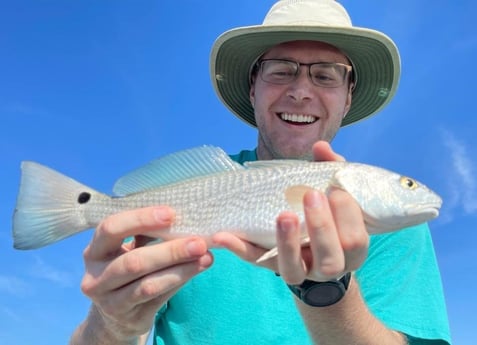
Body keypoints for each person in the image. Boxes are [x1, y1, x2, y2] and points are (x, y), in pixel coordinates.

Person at [69, 1, 451, 344]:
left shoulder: (401, 228)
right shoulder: (187, 191)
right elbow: (129, 332)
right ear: (253, 87)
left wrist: (328, 293)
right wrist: (112, 323)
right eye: (281, 71)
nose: (301, 91)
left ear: (348, 96)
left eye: (326, 75)